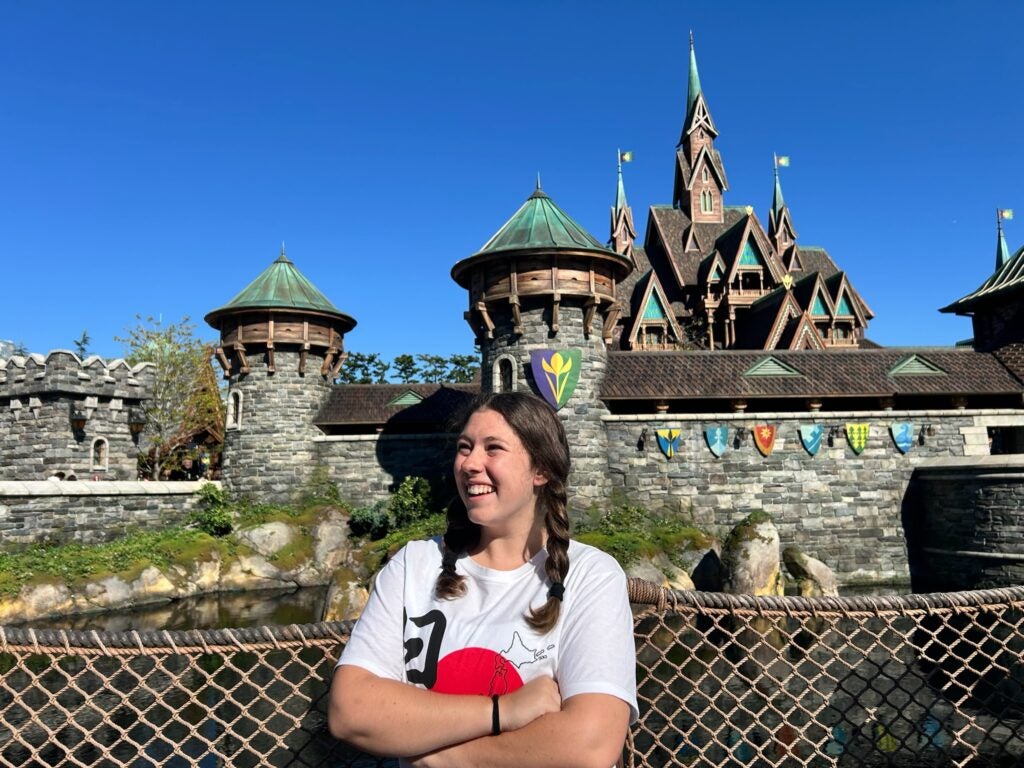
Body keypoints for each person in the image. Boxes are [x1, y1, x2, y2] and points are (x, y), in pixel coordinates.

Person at [329, 391, 637, 768]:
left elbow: (589, 747)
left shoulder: (591, 575)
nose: (470, 463)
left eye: (493, 448)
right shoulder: (415, 564)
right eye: (464, 447)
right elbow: (351, 711)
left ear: (540, 470)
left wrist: (435, 755)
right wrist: (503, 711)